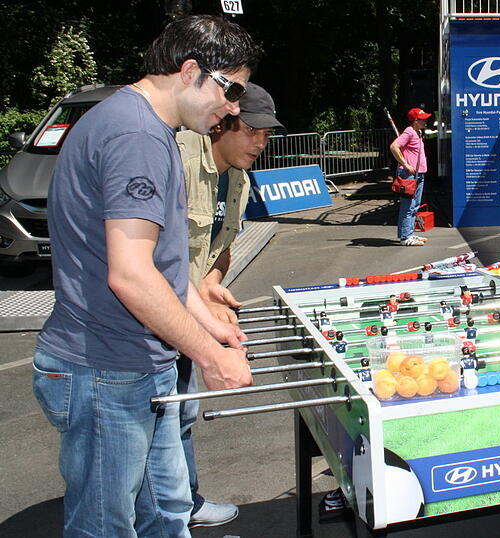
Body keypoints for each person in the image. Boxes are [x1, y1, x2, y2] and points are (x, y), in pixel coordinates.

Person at [32, 15, 260, 537]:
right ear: (191, 71)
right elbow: (131, 276)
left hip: (134, 365)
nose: (233, 108)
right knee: (105, 527)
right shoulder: (135, 134)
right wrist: (210, 357)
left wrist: (210, 325)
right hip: (104, 369)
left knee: (164, 514)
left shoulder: (148, 129)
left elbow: (164, 264)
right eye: (231, 91)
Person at [175, 82, 284, 527]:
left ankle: (182, 504)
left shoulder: (237, 176)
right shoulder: (177, 160)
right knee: (153, 425)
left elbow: (220, 248)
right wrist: (211, 344)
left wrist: (212, 284)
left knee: (179, 413)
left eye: (267, 133)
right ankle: (169, 512)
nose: (261, 141)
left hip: (183, 310)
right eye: (253, 129)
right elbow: (154, 262)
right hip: (145, 319)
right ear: (221, 124)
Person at [390, 107, 431, 246]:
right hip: (409, 174)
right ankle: (405, 236)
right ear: (415, 121)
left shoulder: (418, 132)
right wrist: (406, 164)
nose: (425, 121)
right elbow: (394, 146)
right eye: (422, 119)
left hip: (418, 174)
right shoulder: (409, 132)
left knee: (414, 206)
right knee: (408, 206)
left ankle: (409, 233)